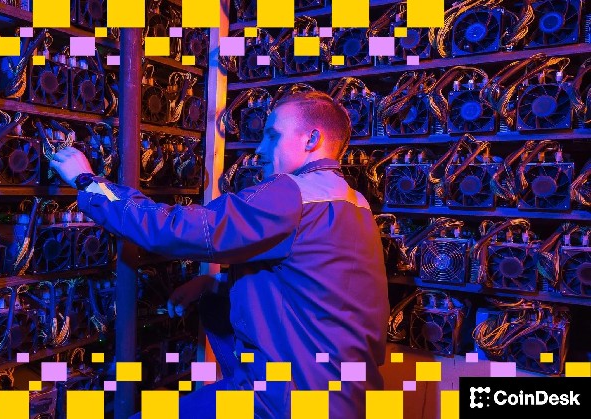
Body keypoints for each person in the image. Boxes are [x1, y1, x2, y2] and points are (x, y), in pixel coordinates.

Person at [50, 91, 389, 418]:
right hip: (344, 397)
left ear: (311, 139)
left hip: (285, 400)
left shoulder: (292, 195)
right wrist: (214, 286)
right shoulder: (355, 204)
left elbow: (176, 230)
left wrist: (87, 182)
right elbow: (313, 290)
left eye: (272, 136)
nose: (260, 149)